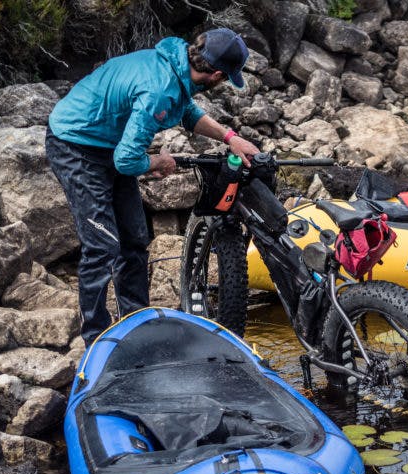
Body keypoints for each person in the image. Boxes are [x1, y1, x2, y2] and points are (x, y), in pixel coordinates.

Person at [45, 28, 259, 346]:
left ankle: (136, 323)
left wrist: (230, 138)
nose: (224, 82)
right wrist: (158, 164)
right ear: (215, 74)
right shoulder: (158, 89)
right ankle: (95, 338)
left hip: (108, 142)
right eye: (226, 77)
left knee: (134, 239)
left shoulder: (175, 66)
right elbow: (127, 161)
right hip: (74, 144)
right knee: (103, 245)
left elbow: (187, 112)